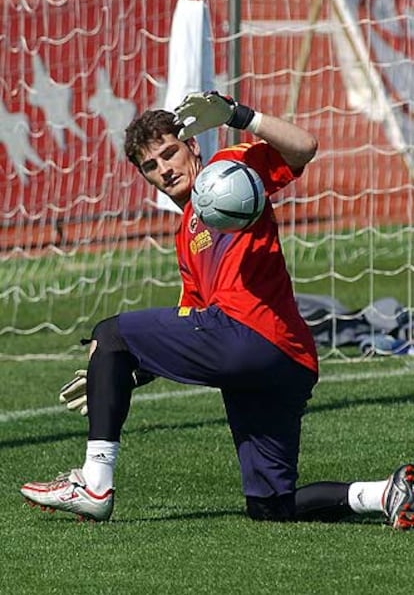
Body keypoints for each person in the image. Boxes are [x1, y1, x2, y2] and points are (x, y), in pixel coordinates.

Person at [20, 91, 414, 529]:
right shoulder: (186, 238)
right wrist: (122, 372)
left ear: (193, 146)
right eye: (151, 166)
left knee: (111, 331)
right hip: (285, 362)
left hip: (248, 336)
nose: (164, 169)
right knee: (271, 506)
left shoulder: (228, 168)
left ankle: (94, 483)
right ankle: (387, 493)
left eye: (169, 153)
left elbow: (304, 147)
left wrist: (237, 115)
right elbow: (190, 322)